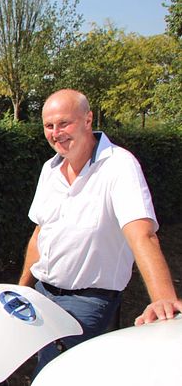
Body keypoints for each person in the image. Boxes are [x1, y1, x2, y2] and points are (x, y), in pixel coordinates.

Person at [18, 89, 182, 375]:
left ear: (87, 119)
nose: (56, 133)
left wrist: (163, 298)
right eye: (49, 125)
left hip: (88, 301)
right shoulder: (49, 169)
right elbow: (40, 233)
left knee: (56, 374)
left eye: (64, 123)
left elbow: (141, 233)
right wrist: (22, 288)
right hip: (43, 295)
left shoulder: (120, 165)